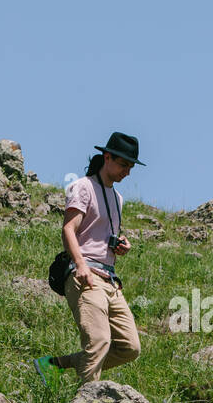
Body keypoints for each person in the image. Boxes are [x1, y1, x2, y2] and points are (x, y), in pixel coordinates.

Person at [33, 132, 145, 388]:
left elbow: (102, 232)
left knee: (130, 348)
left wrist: (120, 243)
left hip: (111, 281)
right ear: (107, 157)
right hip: (86, 275)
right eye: (123, 164)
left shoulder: (117, 198)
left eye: (131, 167)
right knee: (99, 342)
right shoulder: (83, 187)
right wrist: (81, 266)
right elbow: (68, 229)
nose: (127, 172)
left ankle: (54, 365)